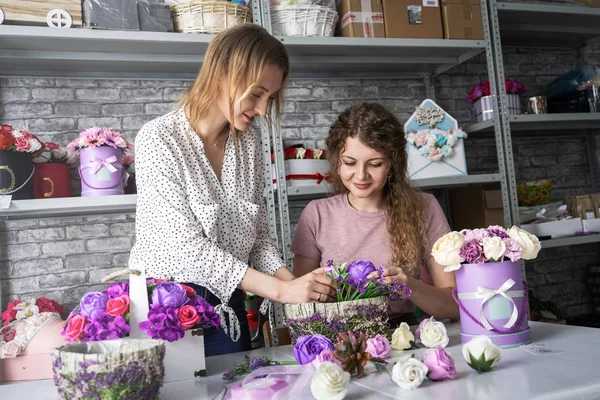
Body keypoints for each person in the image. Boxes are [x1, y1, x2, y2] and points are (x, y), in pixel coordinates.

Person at [129, 24, 336, 356]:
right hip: (167, 306)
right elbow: (188, 250)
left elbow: (258, 239)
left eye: (270, 97)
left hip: (229, 301)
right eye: (257, 94)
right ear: (220, 74)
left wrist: (296, 285)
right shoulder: (159, 139)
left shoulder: (249, 142)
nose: (263, 109)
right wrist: (282, 292)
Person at [291, 103, 460, 326]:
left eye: (375, 164)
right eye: (350, 163)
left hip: (403, 337)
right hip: (337, 337)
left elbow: (455, 306)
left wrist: (408, 285)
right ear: (337, 163)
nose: (361, 175)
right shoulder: (317, 214)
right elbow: (299, 305)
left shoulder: (423, 207)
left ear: (392, 164)